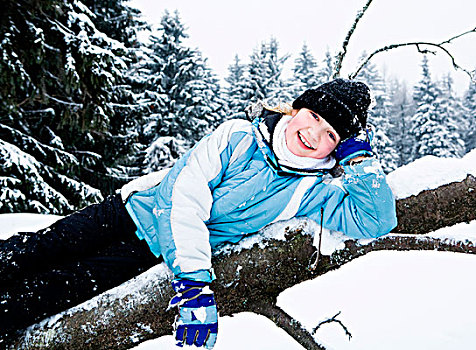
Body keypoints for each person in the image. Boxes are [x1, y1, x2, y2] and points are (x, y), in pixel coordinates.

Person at [0, 79, 397, 348]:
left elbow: (376, 221)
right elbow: (182, 198)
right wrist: (193, 282)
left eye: (331, 134)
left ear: (338, 148)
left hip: (149, 254)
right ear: (297, 110)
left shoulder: (312, 190)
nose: (313, 134)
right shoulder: (238, 136)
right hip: (126, 212)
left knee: (49, 290)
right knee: (32, 250)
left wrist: (361, 161)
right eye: (314, 117)